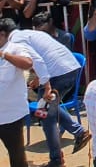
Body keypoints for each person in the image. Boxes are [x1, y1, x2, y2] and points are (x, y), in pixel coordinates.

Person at [11, 19, 92, 165]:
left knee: (46, 115)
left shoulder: (15, 41)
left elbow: (37, 60)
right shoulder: (28, 34)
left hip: (58, 74)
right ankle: (78, 134)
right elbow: (44, 57)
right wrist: (40, 80)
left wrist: (46, 86)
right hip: (65, 70)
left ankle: (57, 159)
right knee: (48, 111)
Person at [0, 18, 39, 167]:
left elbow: (28, 63)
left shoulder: (15, 48)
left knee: (17, 158)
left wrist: (4, 55)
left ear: (2, 34)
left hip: (11, 116)